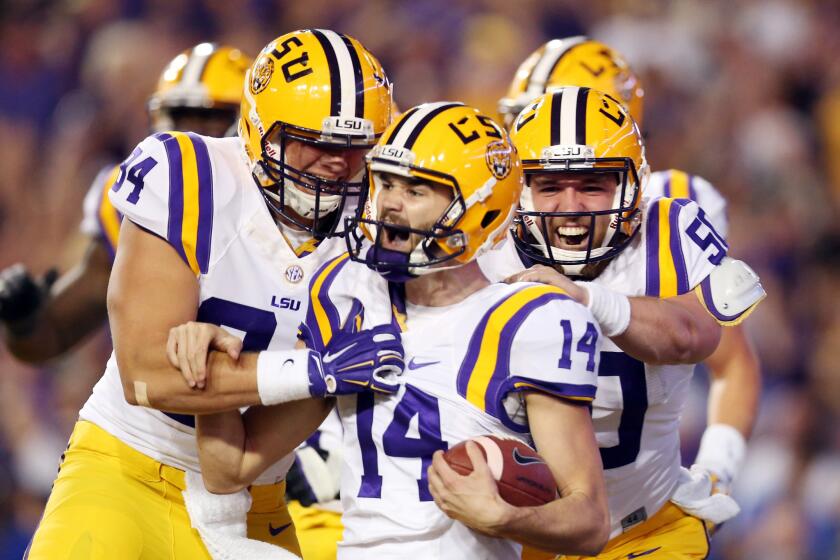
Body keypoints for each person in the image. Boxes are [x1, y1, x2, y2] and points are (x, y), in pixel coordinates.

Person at [180, 102, 610, 558]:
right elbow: (230, 467)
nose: (389, 204)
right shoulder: (345, 292)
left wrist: (504, 518)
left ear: (479, 211)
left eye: (417, 189)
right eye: (384, 181)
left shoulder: (529, 320)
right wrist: (209, 347)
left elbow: (590, 521)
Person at [25, 29, 392, 559]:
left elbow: (233, 464)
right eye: (314, 141)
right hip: (128, 470)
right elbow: (147, 374)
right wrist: (315, 370)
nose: (336, 161)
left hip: (255, 496)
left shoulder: (383, 225)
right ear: (259, 129)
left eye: (354, 145)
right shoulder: (190, 175)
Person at [465, 86, 764, 559]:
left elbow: (696, 336)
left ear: (631, 187)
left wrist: (587, 298)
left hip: (644, 530)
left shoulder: (669, 229)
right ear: (519, 190)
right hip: (512, 533)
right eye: (549, 186)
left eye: (591, 184)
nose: (570, 207)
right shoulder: (480, 250)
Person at [0, 42, 250, 364]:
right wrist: (23, 320)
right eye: (178, 119)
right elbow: (52, 336)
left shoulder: (282, 205)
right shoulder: (134, 199)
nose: (189, 137)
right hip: (159, 401)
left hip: (260, 395)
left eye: (209, 119)